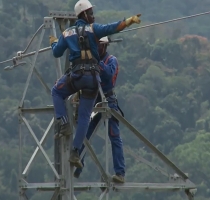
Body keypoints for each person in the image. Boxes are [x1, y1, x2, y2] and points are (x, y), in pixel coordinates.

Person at [49, 0, 141, 168]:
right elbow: (111, 28)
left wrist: (54, 41)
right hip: (92, 79)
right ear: (83, 14)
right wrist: (128, 21)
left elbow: (56, 52)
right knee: (84, 116)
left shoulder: (67, 34)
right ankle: (75, 153)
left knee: (56, 92)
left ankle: (63, 123)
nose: (93, 15)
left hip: (76, 76)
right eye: (90, 13)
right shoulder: (93, 30)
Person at [73, 36, 126, 183]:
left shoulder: (111, 61)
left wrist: (97, 61)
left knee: (114, 136)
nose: (98, 48)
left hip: (108, 101)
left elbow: (108, 75)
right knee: (84, 133)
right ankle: (78, 164)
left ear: (105, 46)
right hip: (93, 100)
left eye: (100, 45)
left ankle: (120, 172)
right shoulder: (91, 60)